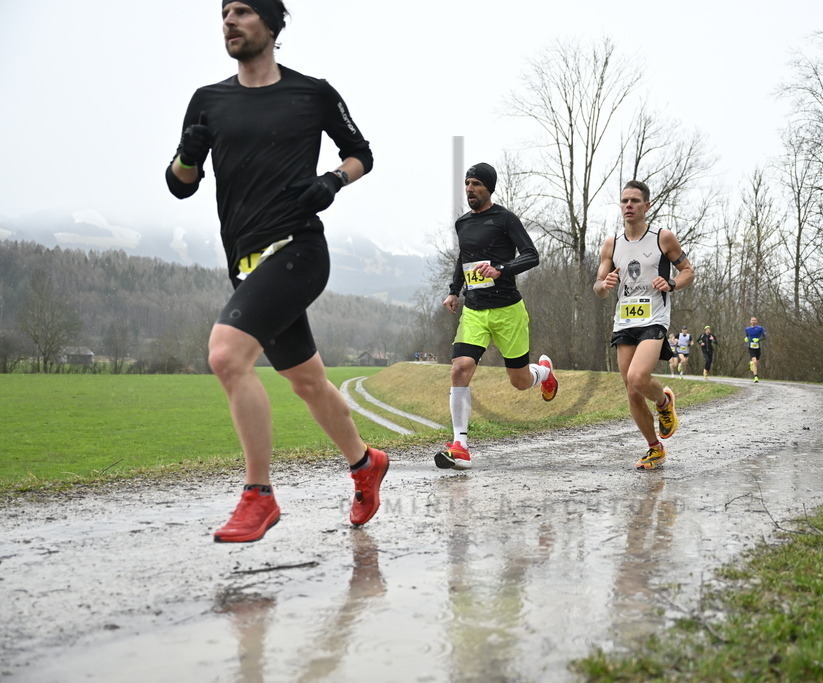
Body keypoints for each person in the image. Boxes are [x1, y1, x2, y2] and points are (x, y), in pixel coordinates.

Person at [165, 0, 388, 542]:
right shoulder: (208, 101)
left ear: (270, 23)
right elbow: (179, 182)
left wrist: (332, 181)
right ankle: (366, 464)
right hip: (245, 264)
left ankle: (258, 496)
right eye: (223, 13)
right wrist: (188, 155)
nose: (229, 21)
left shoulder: (312, 93)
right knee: (308, 382)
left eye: (241, 11)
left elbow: (361, 152)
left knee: (225, 353)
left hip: (298, 248)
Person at [437, 163, 559, 470]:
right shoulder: (462, 223)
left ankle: (543, 373)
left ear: (489, 188)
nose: (469, 189)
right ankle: (460, 445)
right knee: (460, 369)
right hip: (475, 310)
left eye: (476, 184)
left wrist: (501, 269)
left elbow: (532, 255)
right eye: (466, 184)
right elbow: (463, 259)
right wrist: (454, 290)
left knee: (519, 381)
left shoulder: (504, 219)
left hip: (507, 311)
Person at [594, 180, 695, 470]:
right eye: (624, 200)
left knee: (638, 377)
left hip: (654, 318)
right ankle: (655, 448)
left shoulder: (662, 238)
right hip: (624, 320)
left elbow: (689, 271)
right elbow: (598, 287)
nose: (628, 205)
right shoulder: (612, 244)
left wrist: (672, 283)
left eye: (635, 201)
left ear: (646, 206)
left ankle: (664, 403)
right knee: (631, 389)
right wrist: (605, 283)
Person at [744, 316, 767, 382]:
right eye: (752, 320)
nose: (753, 321)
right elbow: (747, 336)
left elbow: (764, 337)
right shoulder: (747, 329)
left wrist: (758, 339)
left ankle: (752, 364)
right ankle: (755, 377)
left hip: (758, 347)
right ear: (750, 321)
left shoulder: (760, 328)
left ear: (756, 321)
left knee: (756, 362)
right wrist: (746, 339)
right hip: (750, 347)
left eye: (754, 320)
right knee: (754, 361)